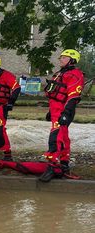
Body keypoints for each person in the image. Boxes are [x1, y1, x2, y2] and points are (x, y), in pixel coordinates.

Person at [41, 49, 84, 179]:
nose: (60, 59)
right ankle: (64, 164)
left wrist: (66, 113)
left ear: (72, 60)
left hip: (64, 111)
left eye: (64, 58)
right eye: (61, 57)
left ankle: (53, 166)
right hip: (55, 111)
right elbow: (55, 95)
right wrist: (50, 111)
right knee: (63, 137)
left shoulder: (75, 75)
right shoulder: (59, 73)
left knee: (55, 138)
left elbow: (73, 97)